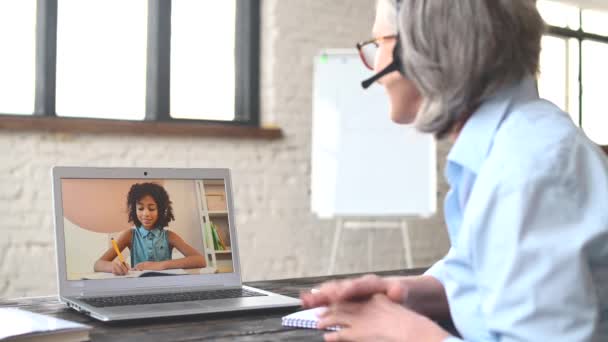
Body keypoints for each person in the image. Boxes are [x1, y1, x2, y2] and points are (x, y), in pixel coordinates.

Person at [301, 0, 608, 341]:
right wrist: (403, 291)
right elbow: (487, 277)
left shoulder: (525, 170)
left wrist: (404, 332)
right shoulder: (511, 144)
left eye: (380, 45)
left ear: (426, 45)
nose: (374, 71)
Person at [94, 182, 206, 275]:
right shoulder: (129, 235)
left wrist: (160, 265)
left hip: (165, 286)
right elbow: (98, 264)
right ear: (134, 210)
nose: (146, 213)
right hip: (138, 288)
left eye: (152, 209)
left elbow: (200, 260)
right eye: (140, 208)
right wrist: (113, 266)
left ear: (161, 211)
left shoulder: (169, 236)